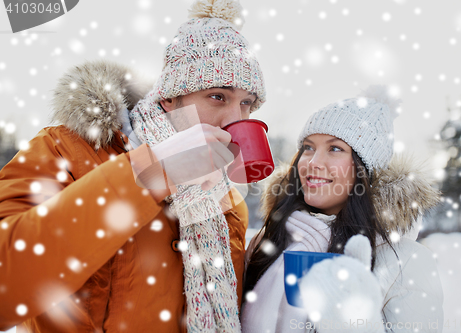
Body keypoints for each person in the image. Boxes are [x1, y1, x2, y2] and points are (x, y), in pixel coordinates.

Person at [0, 0, 265, 332]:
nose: (235, 120)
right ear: (170, 98)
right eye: (218, 97)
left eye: (247, 103)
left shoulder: (227, 205)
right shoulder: (65, 149)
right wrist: (153, 172)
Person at [241, 86, 444, 333]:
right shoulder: (268, 240)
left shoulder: (405, 261)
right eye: (308, 147)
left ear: (364, 169)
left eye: (335, 148)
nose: (313, 162)